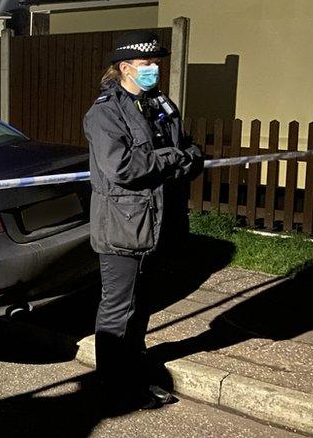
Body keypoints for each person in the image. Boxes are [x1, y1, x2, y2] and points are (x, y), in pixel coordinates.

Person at [82, 31, 204, 411]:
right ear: (124, 68)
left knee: (143, 305)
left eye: (157, 64)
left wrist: (187, 156)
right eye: (147, 64)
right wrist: (173, 159)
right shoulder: (104, 113)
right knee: (118, 309)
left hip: (157, 223)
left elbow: (188, 148)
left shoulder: (159, 104)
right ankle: (112, 386)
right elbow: (121, 167)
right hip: (122, 226)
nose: (154, 70)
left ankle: (134, 373)